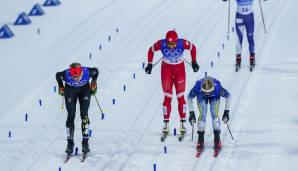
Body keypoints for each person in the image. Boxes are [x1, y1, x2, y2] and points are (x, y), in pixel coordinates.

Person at [145, 30, 200, 138]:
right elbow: (151, 50)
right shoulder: (161, 44)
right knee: (168, 97)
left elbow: (192, 47)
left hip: (179, 70)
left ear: (176, 41)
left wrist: (194, 61)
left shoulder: (182, 43)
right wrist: (150, 64)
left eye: (173, 43)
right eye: (169, 44)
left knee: (180, 96)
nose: (171, 46)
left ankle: (183, 125)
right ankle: (166, 125)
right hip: (166, 70)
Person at [56, 63, 98, 155]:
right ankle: (70, 144)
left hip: (85, 91)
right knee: (71, 115)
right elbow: (57, 75)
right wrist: (61, 86)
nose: (75, 79)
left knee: (84, 114)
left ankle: (85, 143)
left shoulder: (88, 72)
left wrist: (94, 82)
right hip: (70, 91)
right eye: (73, 77)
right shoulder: (65, 74)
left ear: (81, 72)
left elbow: (96, 71)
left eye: (77, 76)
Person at [187, 76, 231, 155]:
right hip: (201, 95)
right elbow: (189, 97)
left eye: (209, 93)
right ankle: (200, 139)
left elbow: (228, 96)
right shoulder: (198, 86)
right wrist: (191, 112)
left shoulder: (217, 87)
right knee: (203, 113)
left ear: (213, 88)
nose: (208, 95)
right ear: (202, 89)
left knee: (214, 112)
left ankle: (217, 139)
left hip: (214, 95)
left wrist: (226, 112)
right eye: (206, 93)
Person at [224, 0, 256, 68]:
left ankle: (252, 56)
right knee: (239, 38)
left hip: (249, 18)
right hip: (240, 17)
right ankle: (238, 58)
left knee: (250, 38)